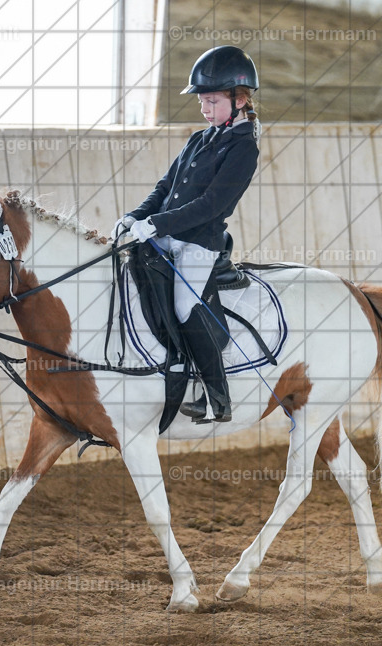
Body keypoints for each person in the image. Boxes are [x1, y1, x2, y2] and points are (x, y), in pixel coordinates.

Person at [114, 45, 261, 423]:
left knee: (184, 305)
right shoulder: (199, 138)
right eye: (203, 101)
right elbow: (164, 187)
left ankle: (217, 397)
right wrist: (136, 216)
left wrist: (158, 224)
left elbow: (214, 204)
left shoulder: (243, 148)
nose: (204, 108)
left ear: (238, 99)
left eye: (211, 100)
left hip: (199, 244)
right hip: (165, 235)